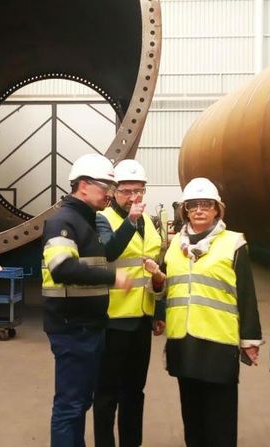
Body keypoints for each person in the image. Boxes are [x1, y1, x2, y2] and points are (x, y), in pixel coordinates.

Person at [161, 177, 262, 447]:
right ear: (185, 210)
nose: (199, 210)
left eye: (206, 204)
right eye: (193, 205)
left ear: (217, 209)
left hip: (218, 345)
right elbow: (169, 285)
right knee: (192, 419)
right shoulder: (174, 246)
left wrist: (249, 340)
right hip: (184, 343)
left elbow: (247, 295)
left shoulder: (234, 243)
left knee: (220, 422)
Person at [41, 153, 131, 447]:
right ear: (82, 185)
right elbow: (62, 267)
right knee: (70, 406)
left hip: (88, 327)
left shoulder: (86, 222)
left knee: (80, 403)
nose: (109, 192)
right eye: (105, 185)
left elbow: (106, 254)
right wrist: (112, 278)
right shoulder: (62, 223)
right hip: (72, 329)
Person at [93, 159, 166, 447]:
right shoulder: (102, 219)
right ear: (113, 192)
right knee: (107, 391)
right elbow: (109, 253)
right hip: (113, 318)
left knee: (135, 391)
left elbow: (157, 266)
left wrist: (158, 310)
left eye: (139, 191)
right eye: (127, 191)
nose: (134, 197)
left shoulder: (149, 222)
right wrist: (130, 220)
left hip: (142, 318)